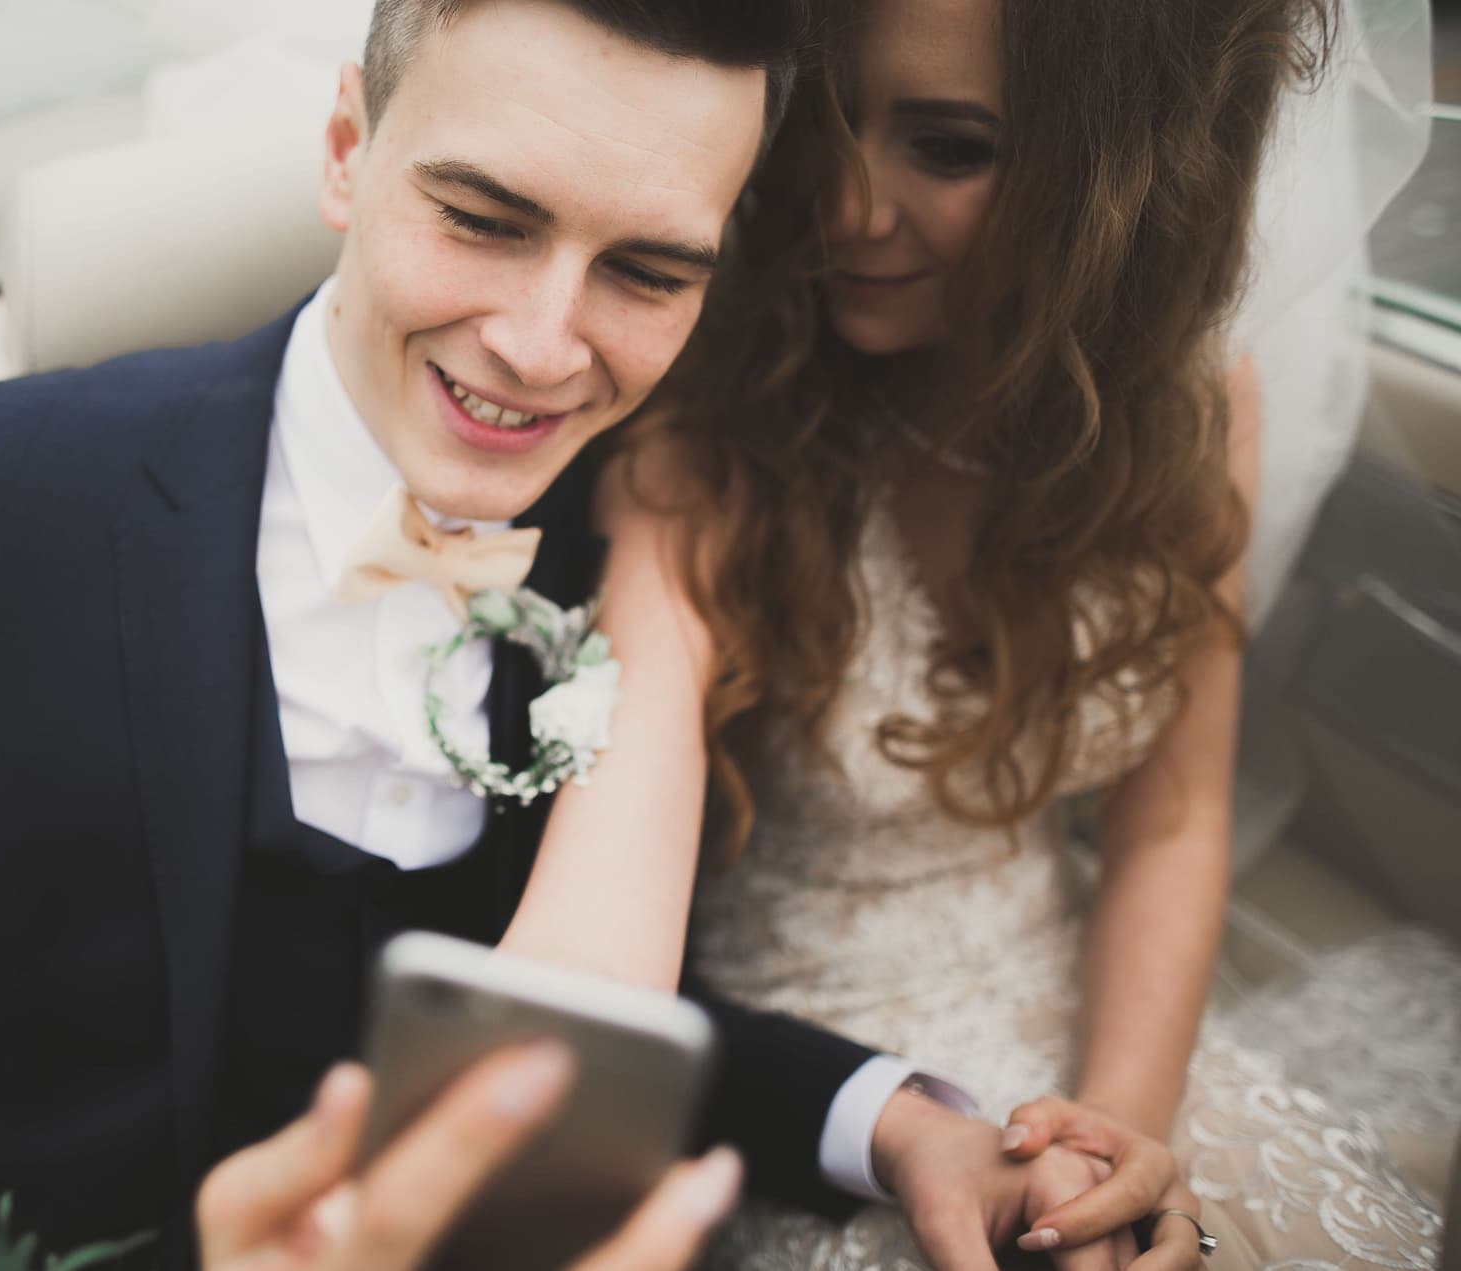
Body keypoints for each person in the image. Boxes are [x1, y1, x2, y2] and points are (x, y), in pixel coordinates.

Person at [0, 2, 1201, 1267]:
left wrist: (904, 1121)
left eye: (649, 271)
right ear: (349, 151)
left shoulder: (662, 536)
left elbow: (601, 1028)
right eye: (485, 220)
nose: (544, 348)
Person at [593, 0, 1461, 1264]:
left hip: (1090, 1015)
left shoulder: (1196, 406)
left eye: (946, 148)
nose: (847, 208)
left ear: (1108, 170)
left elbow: (1170, 815)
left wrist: (1114, 1138)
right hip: (813, 1065)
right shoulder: (708, 418)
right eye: (826, 119)